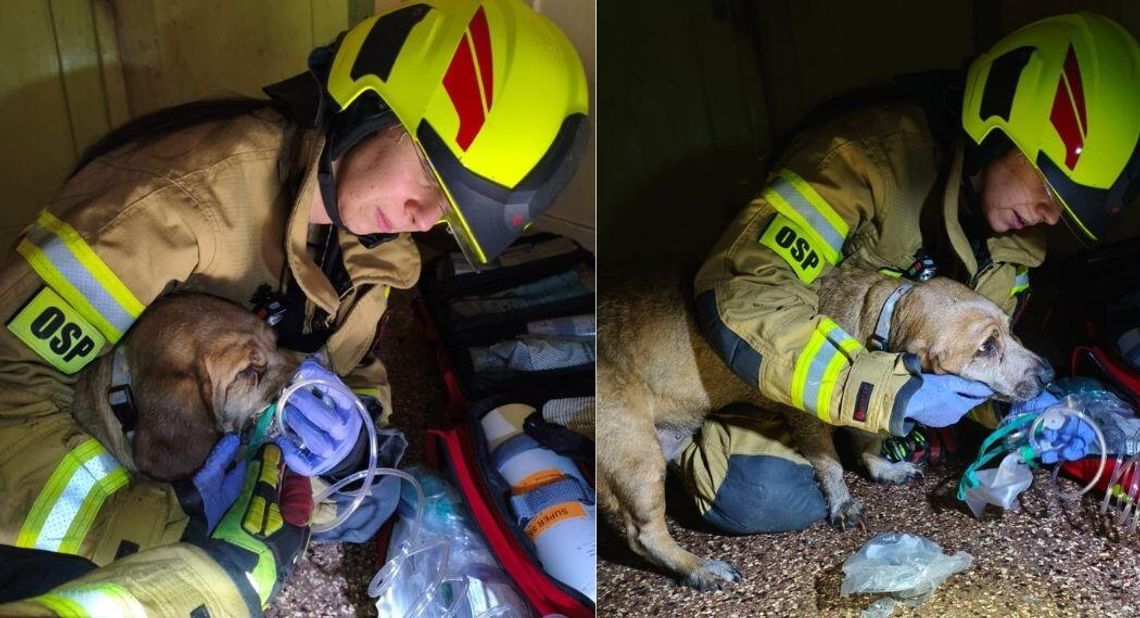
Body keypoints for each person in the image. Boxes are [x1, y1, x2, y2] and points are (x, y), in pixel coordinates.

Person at [0, 0, 589, 614]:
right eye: (430, 176)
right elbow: (9, 383)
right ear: (371, 106)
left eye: (449, 208)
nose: (423, 217)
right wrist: (165, 525)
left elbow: (350, 366)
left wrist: (360, 455)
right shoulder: (172, 207)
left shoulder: (374, 243)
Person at [671, 13, 1139, 534]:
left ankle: (861, 439)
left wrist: (1021, 414)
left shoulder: (1019, 236)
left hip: (853, 393)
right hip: (765, 365)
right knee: (758, 492)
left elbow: (980, 358)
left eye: (1067, 211)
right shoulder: (859, 162)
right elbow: (743, 292)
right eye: (1050, 192)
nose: (1052, 218)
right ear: (996, 132)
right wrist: (886, 393)